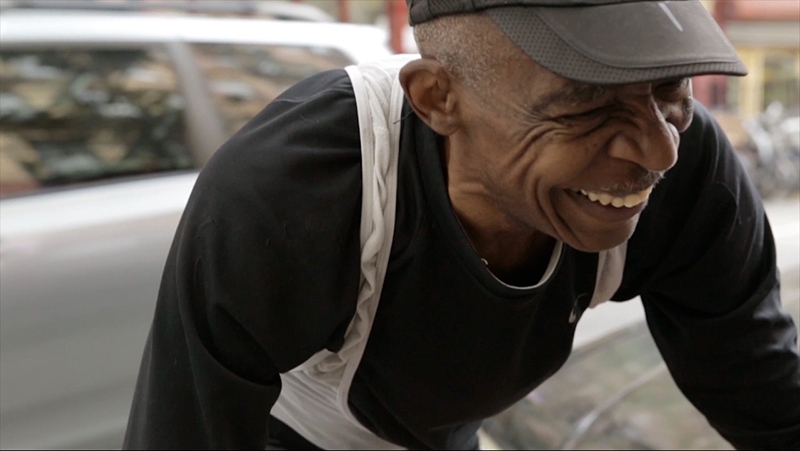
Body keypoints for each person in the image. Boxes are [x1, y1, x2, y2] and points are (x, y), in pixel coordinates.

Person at [122, 0, 800, 449]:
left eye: (667, 88)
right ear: (438, 98)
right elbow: (187, 430)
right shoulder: (301, 190)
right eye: (587, 104)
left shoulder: (688, 171)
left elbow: (759, 388)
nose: (658, 151)